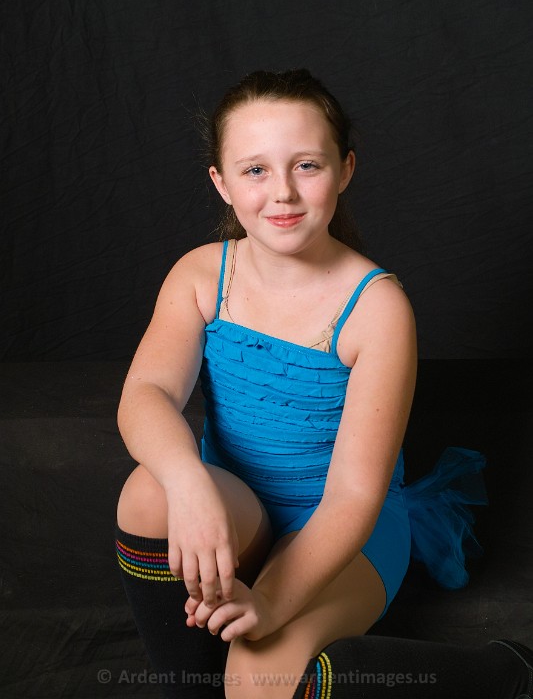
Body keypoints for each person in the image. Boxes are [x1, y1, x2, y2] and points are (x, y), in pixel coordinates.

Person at [115, 69, 532, 698]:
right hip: (239, 510)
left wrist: (271, 604)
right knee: (149, 491)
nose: (282, 192)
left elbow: (353, 498)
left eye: (306, 165)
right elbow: (145, 395)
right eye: (256, 170)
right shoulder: (201, 275)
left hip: (344, 530)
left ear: (345, 170)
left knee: (257, 680)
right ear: (222, 183)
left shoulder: (377, 307)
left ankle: (499, 675)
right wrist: (189, 483)